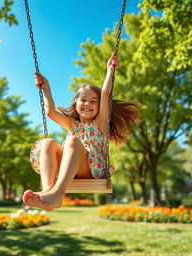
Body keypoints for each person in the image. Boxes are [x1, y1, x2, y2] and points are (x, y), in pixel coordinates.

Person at [23, 53, 140, 210]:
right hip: (69, 168)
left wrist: (110, 70)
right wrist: (46, 88)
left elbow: (105, 94)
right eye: (83, 100)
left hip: (91, 169)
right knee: (48, 142)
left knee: (72, 141)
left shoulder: (100, 123)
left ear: (99, 107)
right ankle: (47, 191)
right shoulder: (72, 124)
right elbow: (50, 111)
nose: (87, 104)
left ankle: (57, 195)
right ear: (76, 104)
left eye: (93, 101)